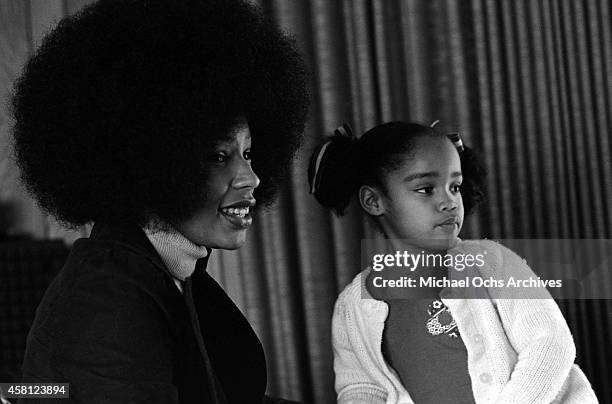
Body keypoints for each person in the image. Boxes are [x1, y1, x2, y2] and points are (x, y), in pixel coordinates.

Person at [11, 0, 309, 402]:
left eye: (249, 154)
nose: (251, 178)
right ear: (155, 161)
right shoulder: (104, 299)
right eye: (219, 156)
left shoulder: (170, 268)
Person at [308, 122, 597, 403]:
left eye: (455, 187)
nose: (450, 202)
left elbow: (550, 346)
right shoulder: (352, 307)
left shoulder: (490, 263)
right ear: (373, 201)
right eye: (426, 189)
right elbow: (361, 389)